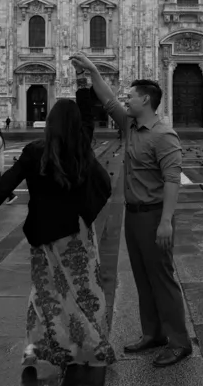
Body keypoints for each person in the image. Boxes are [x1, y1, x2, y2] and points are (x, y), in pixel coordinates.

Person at [0, 99, 115, 374]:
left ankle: (35, 347)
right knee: (82, 290)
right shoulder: (81, 151)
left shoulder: (35, 151)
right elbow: (105, 184)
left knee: (44, 290)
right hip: (75, 232)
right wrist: (87, 212)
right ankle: (88, 346)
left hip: (42, 232)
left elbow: (8, 180)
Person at [71, 52, 191, 368]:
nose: (126, 99)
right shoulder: (131, 127)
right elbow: (109, 100)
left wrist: (166, 221)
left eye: (132, 96)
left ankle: (180, 342)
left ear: (147, 100)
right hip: (134, 214)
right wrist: (93, 71)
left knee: (162, 279)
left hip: (154, 216)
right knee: (142, 277)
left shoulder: (164, 135)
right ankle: (153, 333)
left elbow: (172, 179)